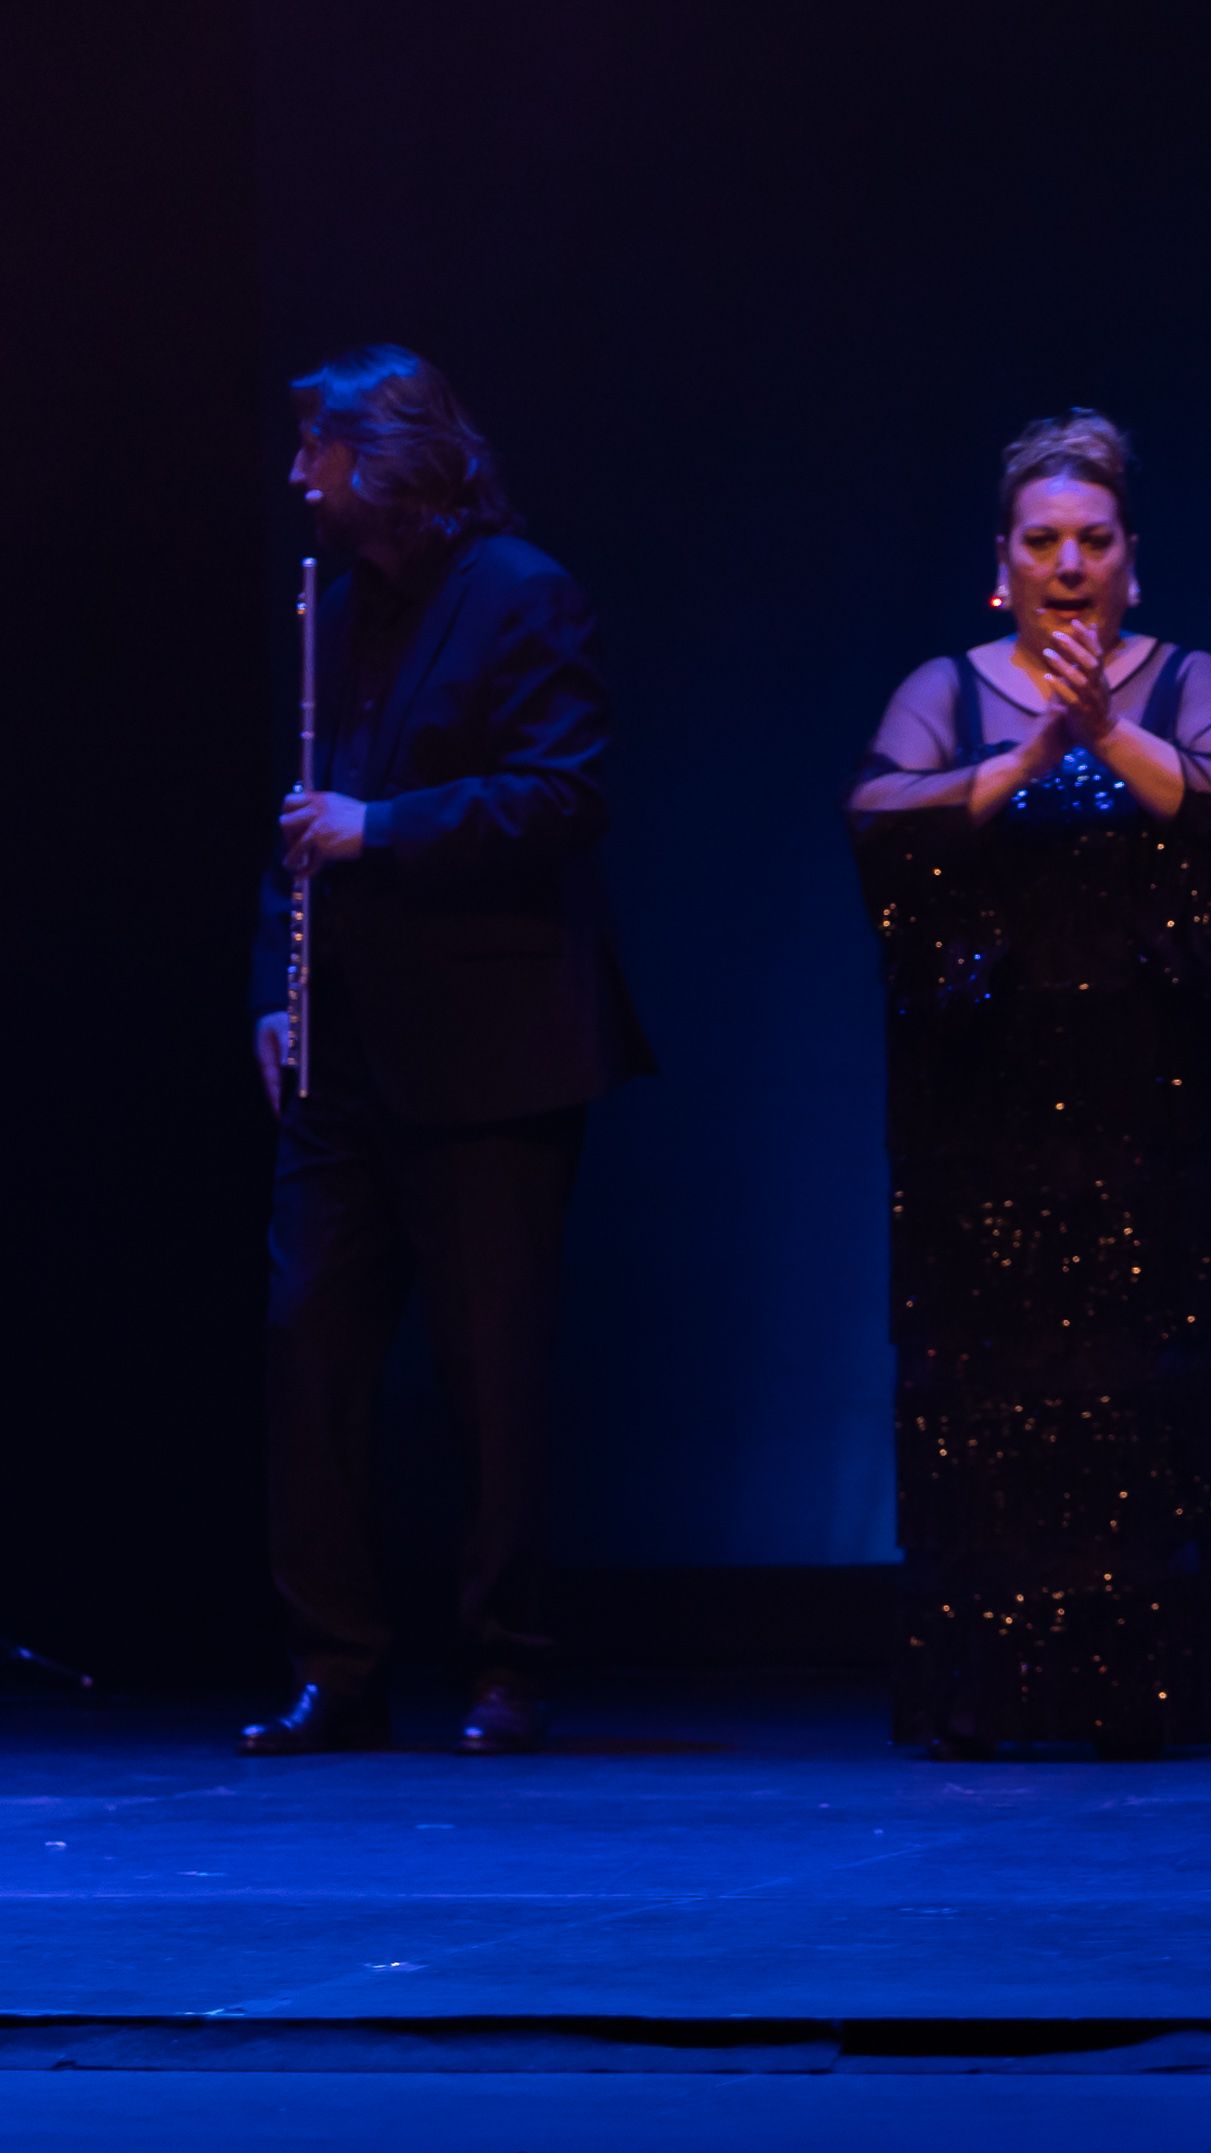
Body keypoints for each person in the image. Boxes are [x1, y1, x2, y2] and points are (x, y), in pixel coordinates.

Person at [849, 410, 1211, 1759]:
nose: (1069, 563)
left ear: (1132, 558)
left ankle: (1150, 1689)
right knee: (994, 1398)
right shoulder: (948, 687)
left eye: (1093, 539)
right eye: (1041, 541)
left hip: (1145, 1113)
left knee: (1141, 1389)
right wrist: (1033, 754)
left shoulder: (1186, 679)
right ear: (1003, 563)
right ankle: (995, 1693)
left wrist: (1108, 733)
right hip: (980, 1128)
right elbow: (877, 820)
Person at [244, 346, 652, 1757]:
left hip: (492, 1053)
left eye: (316, 448)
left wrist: (384, 829)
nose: (297, 476)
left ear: (386, 455)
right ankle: (337, 1667)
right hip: (345, 1049)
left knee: (492, 1377)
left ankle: (504, 1664)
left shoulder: (522, 591)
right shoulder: (334, 607)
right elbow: (297, 820)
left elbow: (564, 794)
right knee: (307, 1351)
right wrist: (271, 989)